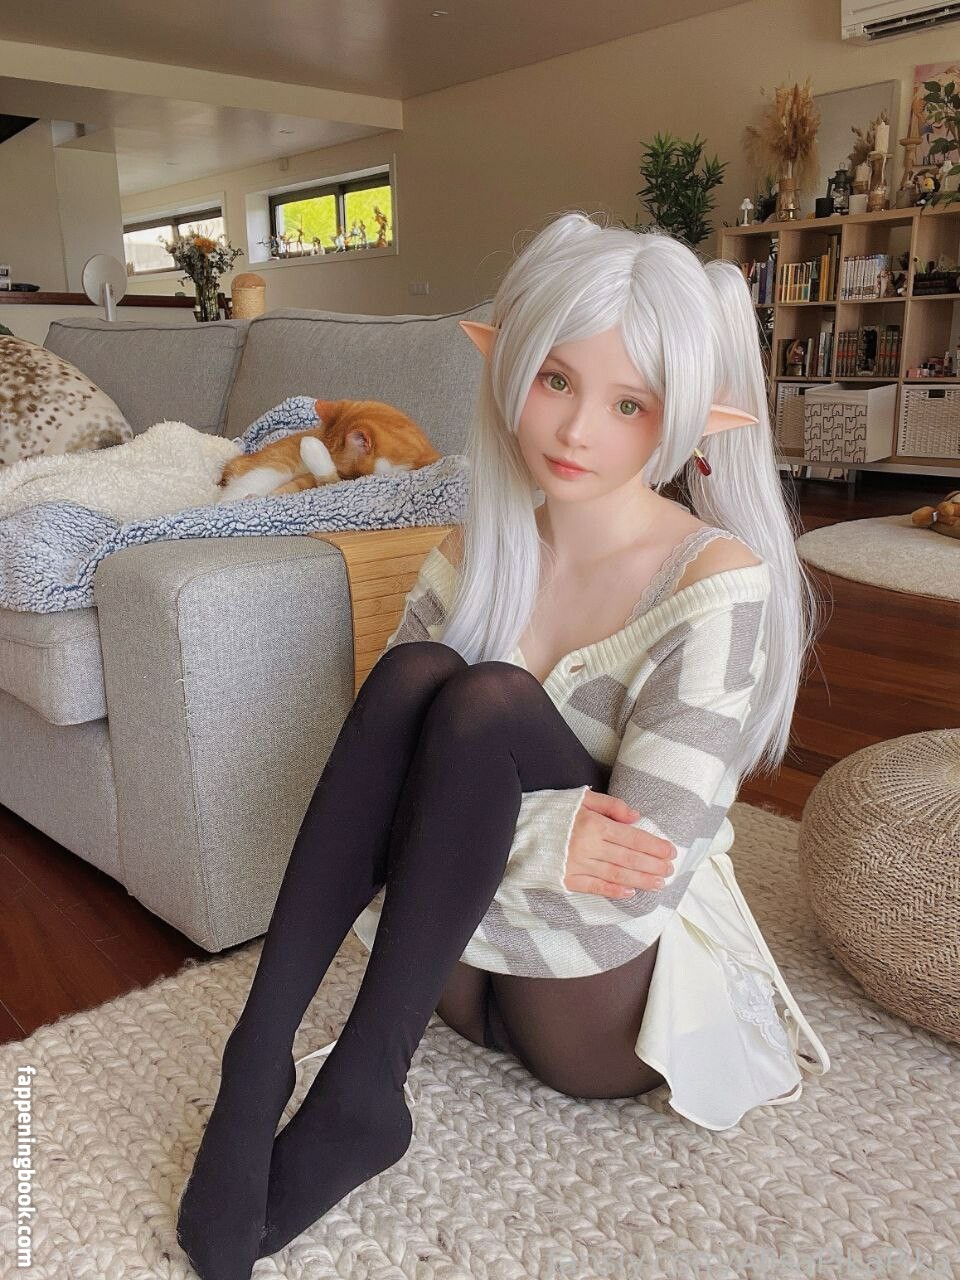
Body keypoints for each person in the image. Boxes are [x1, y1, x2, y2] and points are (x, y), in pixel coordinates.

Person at [176, 210, 831, 1280]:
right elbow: (378, 770)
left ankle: (361, 1089)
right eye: (556, 381)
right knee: (420, 679)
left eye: (629, 404)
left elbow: (641, 869)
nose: (576, 431)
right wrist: (534, 828)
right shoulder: (477, 545)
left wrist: (458, 822)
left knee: (482, 701)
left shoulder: (715, 581)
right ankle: (259, 1064)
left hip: (596, 1007)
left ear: (689, 423)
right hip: (460, 972)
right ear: (507, 365)